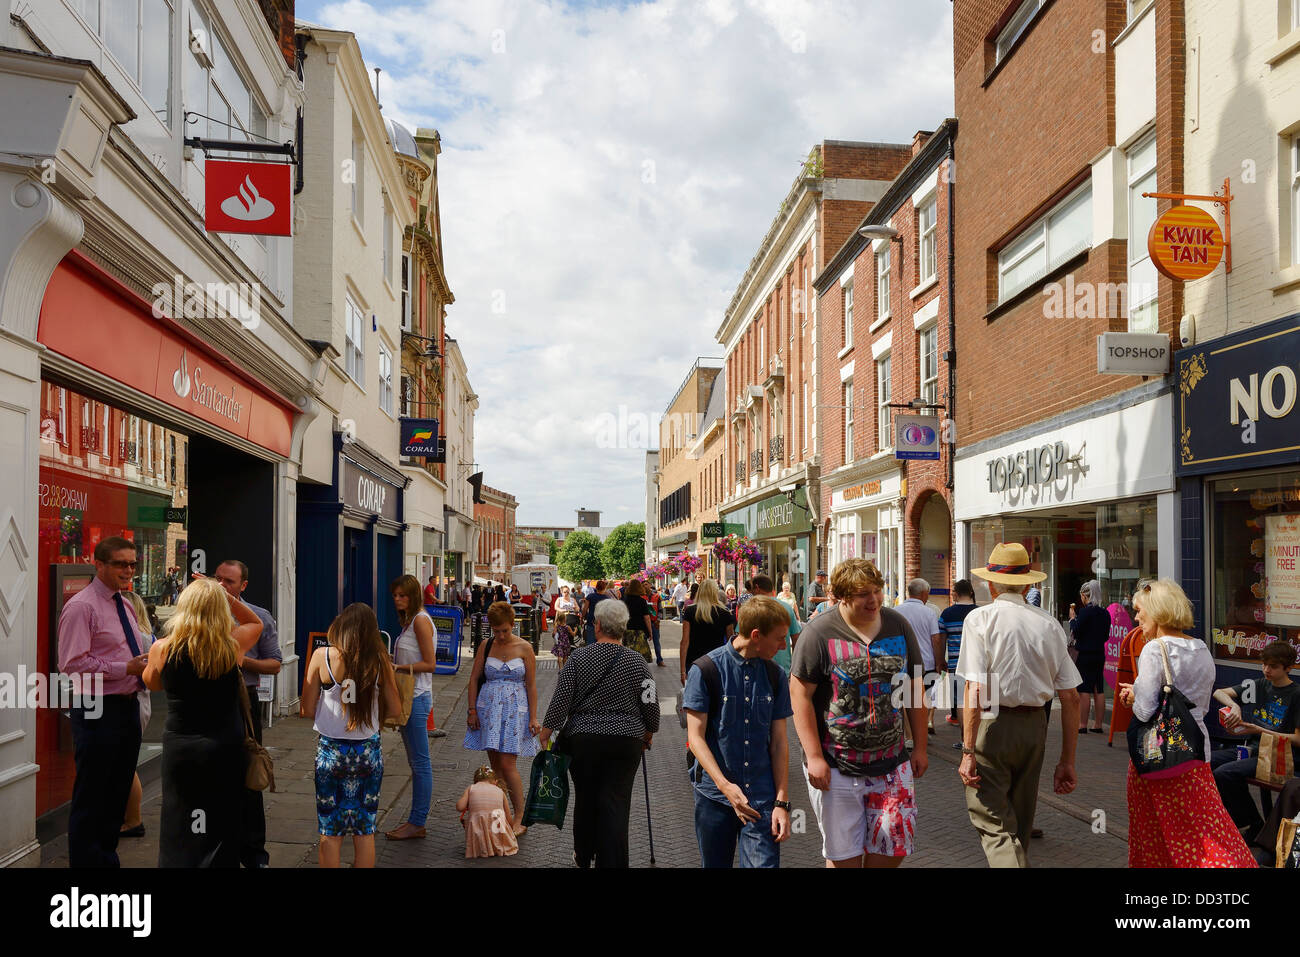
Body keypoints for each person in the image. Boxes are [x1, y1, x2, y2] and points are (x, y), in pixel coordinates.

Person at [790, 559, 927, 867]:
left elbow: (916, 689)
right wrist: (813, 756)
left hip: (892, 764)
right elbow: (799, 694)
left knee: (893, 851)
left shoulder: (897, 625)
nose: (874, 600)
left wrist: (920, 746)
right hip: (837, 767)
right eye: (863, 593)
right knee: (844, 860)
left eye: (877, 591)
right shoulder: (819, 632)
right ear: (841, 596)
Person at [956, 542, 1081, 868]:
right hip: (1034, 727)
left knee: (992, 820)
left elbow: (974, 689)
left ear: (991, 583)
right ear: (1028, 584)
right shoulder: (1049, 624)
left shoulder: (980, 619)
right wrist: (1067, 759)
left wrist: (968, 751)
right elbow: (1071, 696)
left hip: (993, 723)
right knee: (1020, 820)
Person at [1117, 580, 1257, 867]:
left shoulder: (1155, 649)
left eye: (1139, 610)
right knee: (1207, 827)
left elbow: (1145, 711)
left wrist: (1132, 696)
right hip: (1195, 751)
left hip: (1157, 755)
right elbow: (1198, 701)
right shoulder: (1201, 648)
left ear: (1156, 611)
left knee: (1155, 833)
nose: (1136, 617)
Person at [144, 576, 263, 867]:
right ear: (221, 609)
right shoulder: (232, 645)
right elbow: (256, 623)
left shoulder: (162, 648)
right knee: (221, 817)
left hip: (180, 747)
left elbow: (153, 683)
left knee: (180, 815)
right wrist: (228, 596)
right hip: (223, 745)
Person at [539, 600, 659, 868]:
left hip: (584, 740)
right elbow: (650, 702)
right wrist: (649, 732)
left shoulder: (579, 658)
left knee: (586, 798)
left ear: (598, 625)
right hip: (626, 741)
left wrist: (546, 732)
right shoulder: (637, 661)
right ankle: (613, 861)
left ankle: (583, 853)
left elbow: (561, 699)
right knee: (616, 801)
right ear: (624, 628)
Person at [57, 536, 152, 867]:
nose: (128, 570)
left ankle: (106, 859)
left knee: (117, 791)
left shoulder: (124, 603)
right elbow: (71, 664)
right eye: (120, 564)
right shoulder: (82, 607)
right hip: (98, 709)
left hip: (127, 705)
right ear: (98, 564)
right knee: (93, 796)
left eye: (132, 564)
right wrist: (124, 667)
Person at [684, 597, 793, 868]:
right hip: (714, 797)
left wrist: (782, 802)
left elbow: (780, 743)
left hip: (761, 797)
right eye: (779, 639)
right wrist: (724, 785)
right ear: (756, 635)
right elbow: (695, 739)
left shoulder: (775, 675)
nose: (784, 645)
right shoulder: (706, 670)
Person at [301, 603, 399, 868]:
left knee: (330, 832)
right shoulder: (380, 662)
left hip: (330, 753)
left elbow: (306, 708)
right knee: (364, 830)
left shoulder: (322, 656)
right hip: (368, 753)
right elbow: (397, 709)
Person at [211, 560, 281, 868]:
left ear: (243, 586)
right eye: (218, 579)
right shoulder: (203, 615)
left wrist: (243, 662)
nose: (223, 585)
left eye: (229, 581)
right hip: (208, 701)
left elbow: (275, 663)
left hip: (244, 701)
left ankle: (254, 854)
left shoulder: (259, 618)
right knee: (212, 779)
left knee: (250, 775)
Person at [1210, 640, 1300, 843]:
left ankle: (1253, 824)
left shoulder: (1296, 694)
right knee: (1206, 762)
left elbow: (1297, 739)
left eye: (1273, 666)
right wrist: (1235, 707)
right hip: (1254, 748)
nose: (1267, 670)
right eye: (1264, 664)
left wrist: (1259, 729)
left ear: (1288, 668)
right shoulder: (1260, 684)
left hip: (1281, 755)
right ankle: (1240, 821)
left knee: (1225, 773)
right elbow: (1219, 693)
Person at [464, 602, 539, 835]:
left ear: (512, 624)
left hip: (515, 709)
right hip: (489, 710)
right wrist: (472, 710)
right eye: (496, 631)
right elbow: (474, 678)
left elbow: (532, 685)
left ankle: (521, 815)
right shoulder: (486, 646)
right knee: (495, 767)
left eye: (505, 630)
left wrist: (533, 718)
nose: (501, 635)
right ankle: (501, 814)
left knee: (508, 765)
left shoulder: (525, 647)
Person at [387, 574, 437, 840]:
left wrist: (398, 667)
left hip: (416, 697)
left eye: (402, 595)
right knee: (416, 762)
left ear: (414, 595)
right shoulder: (410, 621)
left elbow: (430, 664)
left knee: (420, 763)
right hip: (411, 697)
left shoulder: (419, 621)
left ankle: (417, 822)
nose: (397, 600)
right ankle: (415, 821)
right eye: (395, 595)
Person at [120, 589, 156, 839]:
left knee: (126, 765)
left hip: (134, 702)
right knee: (126, 762)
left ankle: (133, 821)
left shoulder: (138, 637)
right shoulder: (149, 635)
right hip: (144, 703)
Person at [896, 578, 944, 735]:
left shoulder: (896, 611)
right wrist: (939, 661)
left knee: (905, 698)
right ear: (923, 594)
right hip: (926, 663)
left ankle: (909, 735)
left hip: (903, 662)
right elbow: (936, 639)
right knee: (924, 699)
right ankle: (920, 733)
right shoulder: (929, 612)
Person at [1069, 580, 1111, 733]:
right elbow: (1106, 636)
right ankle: (1098, 725)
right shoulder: (1105, 613)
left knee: (1084, 689)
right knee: (1098, 689)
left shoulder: (1085, 612)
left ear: (1084, 596)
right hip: (1099, 654)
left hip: (1085, 654)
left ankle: (1082, 724)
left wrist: (1073, 619)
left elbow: (1076, 631)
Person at [938, 579, 978, 740]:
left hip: (956, 664)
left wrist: (940, 660)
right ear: (970, 592)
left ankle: (964, 739)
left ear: (956, 593)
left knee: (961, 702)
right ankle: (975, 740)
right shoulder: (979, 613)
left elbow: (940, 641)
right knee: (976, 702)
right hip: (977, 664)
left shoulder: (947, 614)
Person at [679, 579, 736, 686]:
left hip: (694, 660)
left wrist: (682, 671)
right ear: (715, 593)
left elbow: (684, 642)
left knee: (695, 697)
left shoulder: (690, 611)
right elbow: (731, 642)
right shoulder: (725, 613)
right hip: (717, 661)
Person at [456, 767, 518, 858]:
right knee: (498, 822)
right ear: (495, 782)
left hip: (478, 827)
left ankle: (482, 848)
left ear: (476, 781)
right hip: (497, 828)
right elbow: (508, 816)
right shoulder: (500, 791)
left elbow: (460, 807)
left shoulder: (471, 788)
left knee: (475, 820)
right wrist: (511, 831)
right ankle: (497, 846)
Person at [749, 575, 801, 674]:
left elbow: (742, 637)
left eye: (752, 589)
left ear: (757, 588)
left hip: (756, 670)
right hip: (782, 669)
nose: (751, 593)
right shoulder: (787, 608)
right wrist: (795, 667)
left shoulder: (751, 609)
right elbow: (796, 639)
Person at [622, 579, 657, 663]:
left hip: (627, 630)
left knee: (627, 654)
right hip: (640, 630)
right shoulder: (641, 601)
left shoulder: (624, 600)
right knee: (639, 655)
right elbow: (646, 618)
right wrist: (650, 632)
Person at [581, 580, 613, 647]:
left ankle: (590, 656)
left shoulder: (590, 596)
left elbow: (585, 609)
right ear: (604, 588)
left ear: (596, 587)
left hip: (592, 621)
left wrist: (582, 618)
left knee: (590, 642)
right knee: (602, 643)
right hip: (603, 623)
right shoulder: (607, 598)